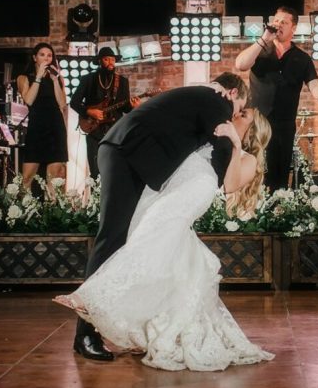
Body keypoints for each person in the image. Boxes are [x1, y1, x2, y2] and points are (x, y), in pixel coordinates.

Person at [66, 72, 249, 362]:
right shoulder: (218, 100)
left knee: (133, 239)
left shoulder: (195, 98)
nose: (234, 116)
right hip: (125, 151)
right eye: (238, 110)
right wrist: (234, 147)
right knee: (112, 237)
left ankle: (122, 325)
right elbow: (223, 147)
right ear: (233, 93)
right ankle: (85, 333)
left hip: (134, 156)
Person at [235, 6, 318, 191]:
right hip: (257, 122)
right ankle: (250, 212)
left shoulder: (301, 58)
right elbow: (240, 64)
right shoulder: (260, 50)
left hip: (284, 124)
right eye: (276, 20)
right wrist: (264, 39)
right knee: (253, 169)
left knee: (279, 173)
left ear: (293, 28)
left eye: (284, 22)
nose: (278, 24)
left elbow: (313, 82)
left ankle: (278, 211)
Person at [70, 47, 140, 179]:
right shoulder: (88, 79)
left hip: (115, 131)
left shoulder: (122, 81)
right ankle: (96, 199)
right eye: (106, 59)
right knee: (95, 173)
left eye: (113, 59)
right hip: (94, 130)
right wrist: (89, 112)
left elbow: (124, 108)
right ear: (99, 61)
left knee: (114, 170)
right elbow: (74, 102)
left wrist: (133, 107)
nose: (110, 62)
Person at [16, 42, 68, 195]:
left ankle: (51, 215)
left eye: (49, 55)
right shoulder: (24, 78)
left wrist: (54, 80)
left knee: (54, 180)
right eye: (42, 55)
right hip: (37, 128)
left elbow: (62, 103)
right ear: (34, 58)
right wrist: (38, 76)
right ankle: (23, 215)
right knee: (27, 179)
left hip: (55, 128)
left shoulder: (58, 78)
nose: (46, 58)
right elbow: (29, 100)